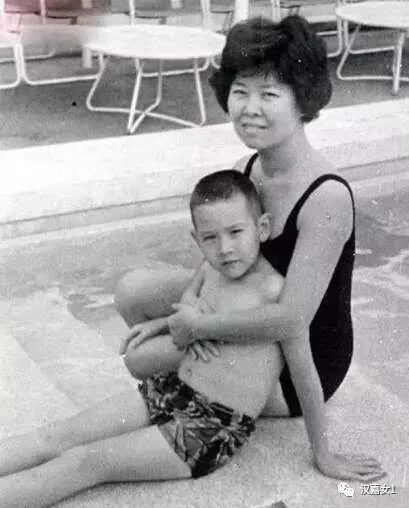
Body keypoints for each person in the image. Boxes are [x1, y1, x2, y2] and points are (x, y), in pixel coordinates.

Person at [116, 15, 385, 481]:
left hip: (301, 363)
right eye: (241, 91)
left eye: (269, 94)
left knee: (141, 360)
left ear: (303, 99)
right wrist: (175, 315)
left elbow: (291, 320)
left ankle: (222, 393)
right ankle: (210, 380)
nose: (250, 108)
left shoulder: (326, 197)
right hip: (252, 309)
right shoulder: (248, 167)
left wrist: (198, 328)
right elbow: (217, 268)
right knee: (133, 291)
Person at [1, 171, 296, 507]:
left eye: (236, 232)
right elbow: (187, 299)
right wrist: (189, 316)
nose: (225, 248)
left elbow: (300, 358)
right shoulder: (210, 268)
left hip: (209, 428)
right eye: (210, 237)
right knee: (56, 436)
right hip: (171, 389)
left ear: (262, 227)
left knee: (84, 461)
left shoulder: (274, 291)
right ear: (196, 239)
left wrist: (325, 452)